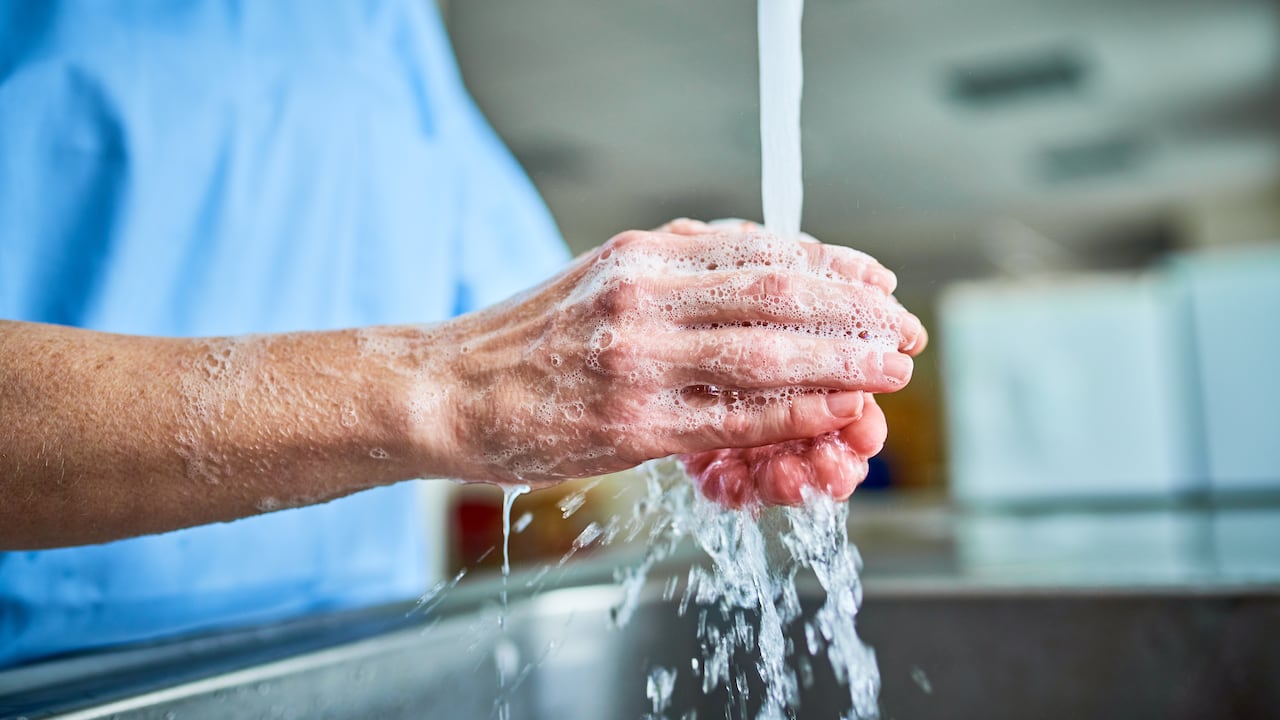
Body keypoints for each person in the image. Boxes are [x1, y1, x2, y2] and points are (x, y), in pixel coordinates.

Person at [0, 1, 926, 669]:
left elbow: (528, 317)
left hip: (344, 666)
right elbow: (480, 366)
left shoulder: (381, 28)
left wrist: (692, 349)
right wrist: (451, 389)